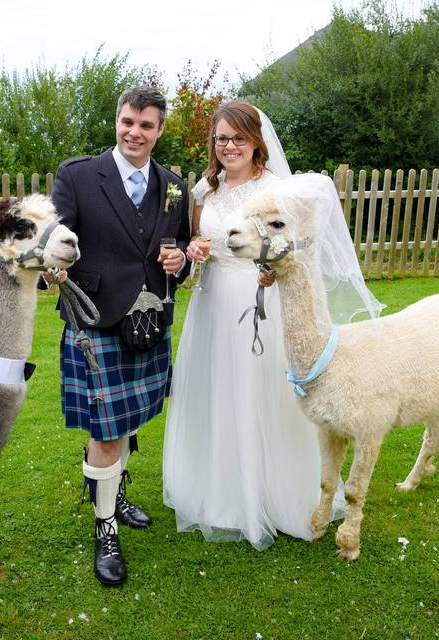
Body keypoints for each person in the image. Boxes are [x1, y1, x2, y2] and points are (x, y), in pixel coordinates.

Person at [162, 100, 383, 549]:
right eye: (221, 138)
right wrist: (195, 251)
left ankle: (276, 494)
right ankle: (221, 494)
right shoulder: (205, 192)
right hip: (213, 304)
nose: (228, 147)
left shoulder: (279, 191)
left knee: (266, 396)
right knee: (217, 391)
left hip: (260, 298)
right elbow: (196, 243)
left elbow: (300, 247)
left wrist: (274, 269)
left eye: (238, 138)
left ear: (256, 142)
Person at [48, 85, 191, 586]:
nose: (135, 132)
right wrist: (52, 269)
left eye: (146, 125)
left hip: (149, 321)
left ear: (159, 130)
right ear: (118, 120)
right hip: (98, 320)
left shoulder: (174, 185)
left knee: (129, 423)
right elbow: (56, 240)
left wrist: (183, 261)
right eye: (128, 121)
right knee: (106, 431)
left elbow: (182, 250)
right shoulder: (79, 175)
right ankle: (104, 525)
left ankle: (114, 491)